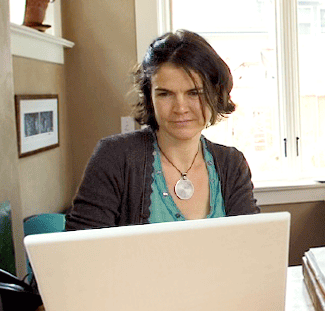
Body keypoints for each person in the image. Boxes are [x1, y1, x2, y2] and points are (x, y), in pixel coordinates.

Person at [65, 30, 259, 231]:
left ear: (216, 96)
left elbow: (253, 245)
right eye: (165, 94)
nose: (180, 108)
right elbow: (78, 250)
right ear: (150, 98)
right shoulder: (114, 157)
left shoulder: (232, 165)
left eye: (194, 93)